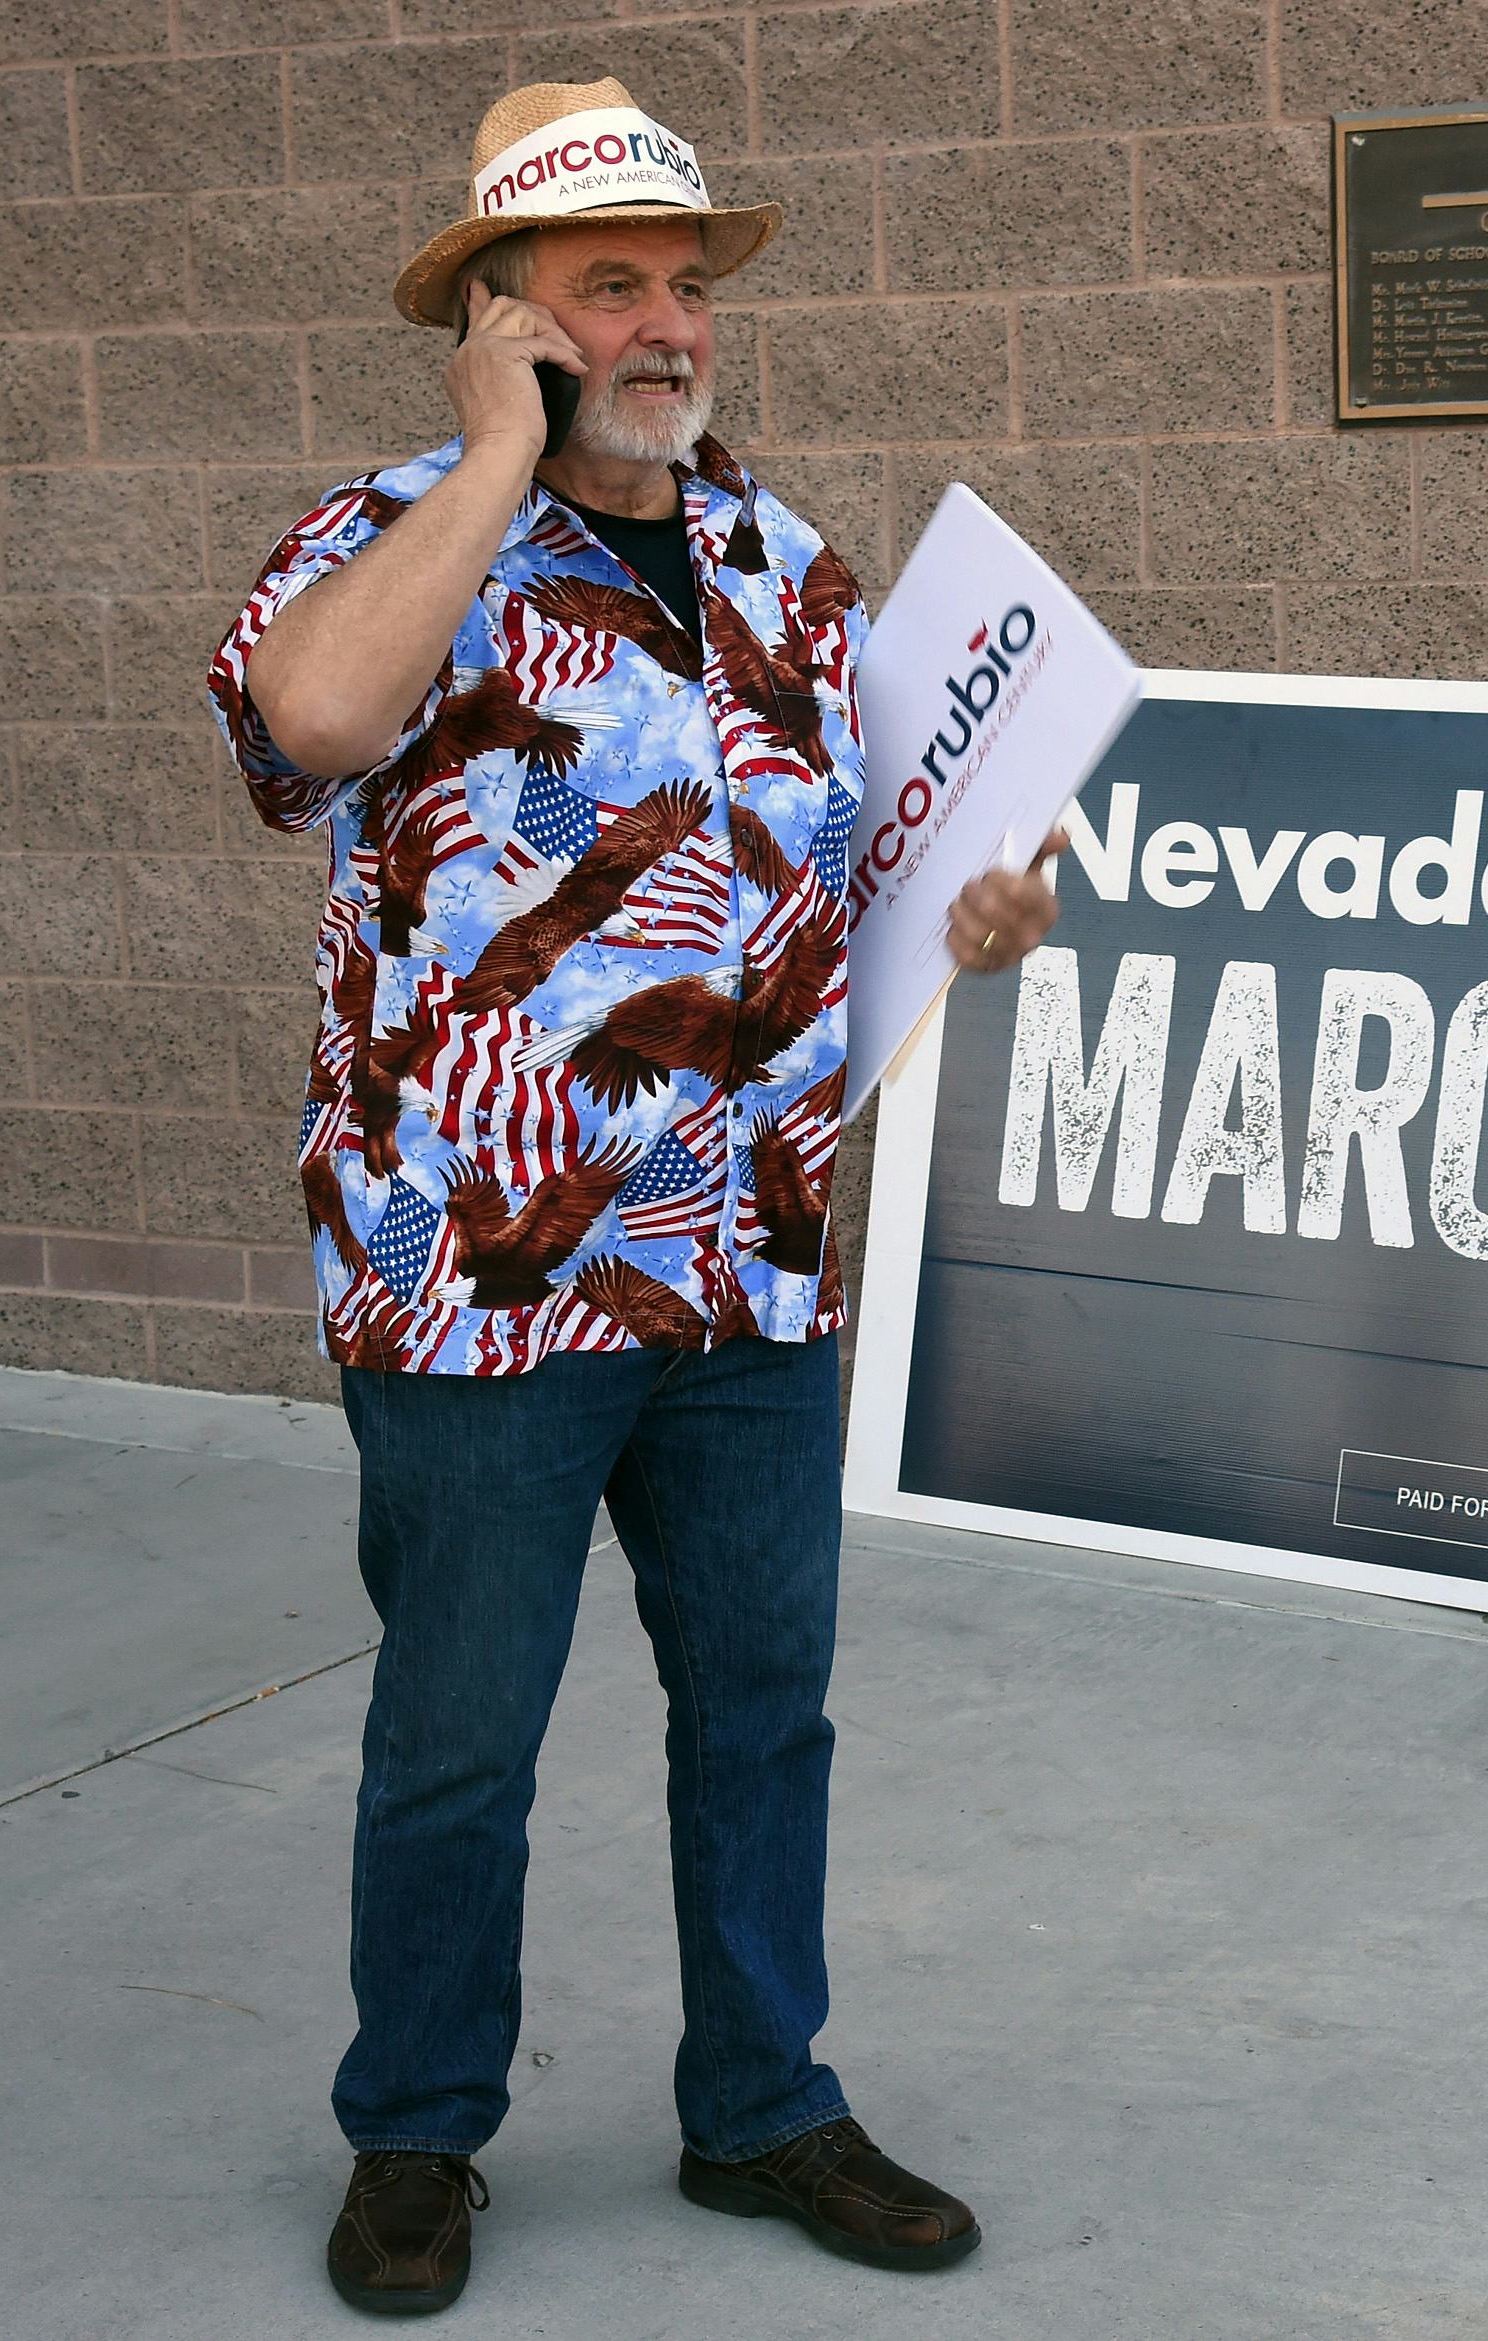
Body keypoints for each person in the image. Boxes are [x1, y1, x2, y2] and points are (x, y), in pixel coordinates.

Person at [205, 77, 1059, 2318]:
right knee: (462, 1735)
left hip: (752, 1262)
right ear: (500, 313)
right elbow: (311, 728)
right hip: (485, 1284)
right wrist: (496, 460)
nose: (669, 322)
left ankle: (763, 2100)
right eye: (612, 284)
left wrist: (987, 915)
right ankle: (417, 2128)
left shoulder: (788, 561)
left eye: (687, 283)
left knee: (763, 1707)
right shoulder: (384, 538)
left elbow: (883, 861)